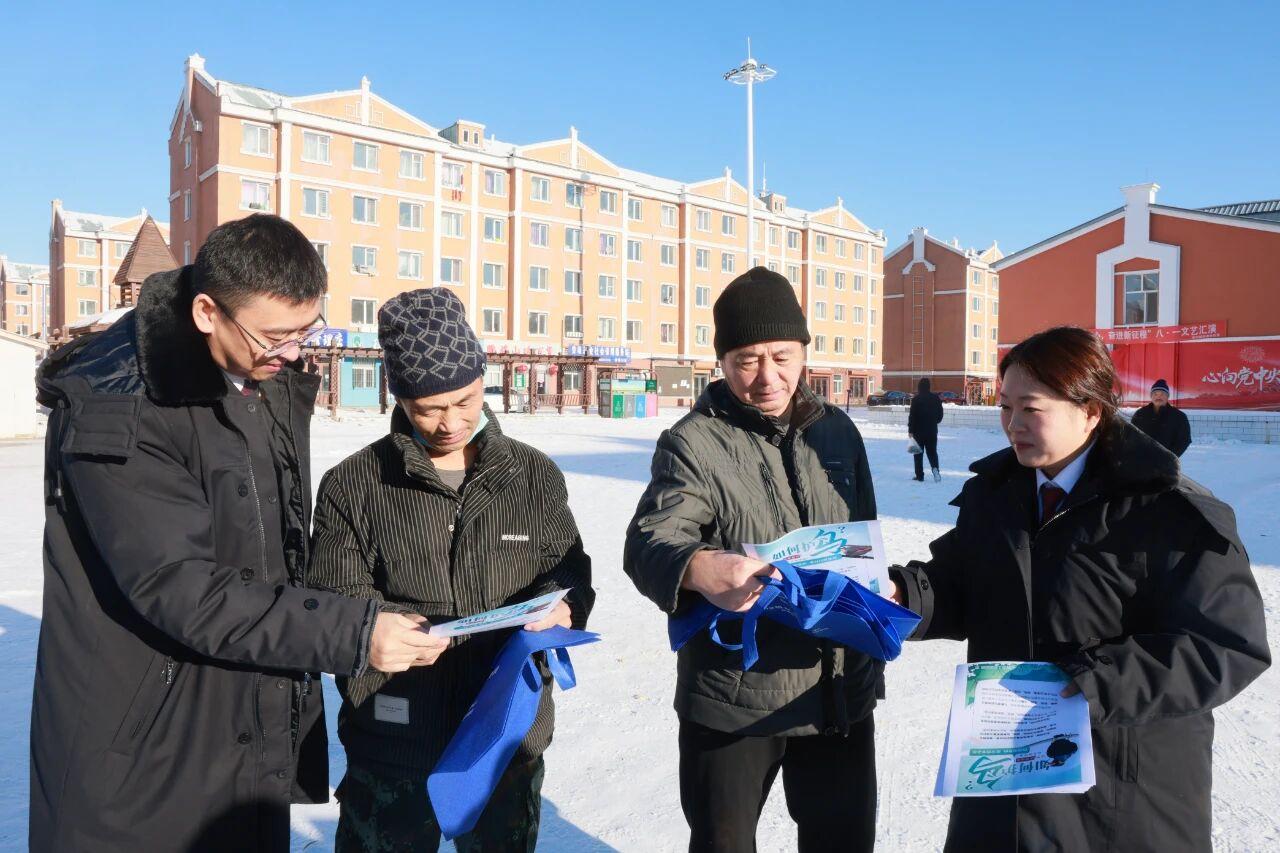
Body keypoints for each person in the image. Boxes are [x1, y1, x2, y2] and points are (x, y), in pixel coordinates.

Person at [30, 215, 441, 852]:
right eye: (276, 336)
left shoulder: (255, 379)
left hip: (244, 721)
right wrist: (352, 633)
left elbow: (270, 554)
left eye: (307, 330)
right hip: (142, 747)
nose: (294, 352)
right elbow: (181, 587)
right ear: (206, 312)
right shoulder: (119, 408)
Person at [890, 326, 1269, 852]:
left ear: (1090, 412)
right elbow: (957, 583)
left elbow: (1224, 645)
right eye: (1005, 407)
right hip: (1003, 783)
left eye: (1031, 409)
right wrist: (900, 594)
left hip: (1119, 795)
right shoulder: (994, 496)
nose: (1013, 425)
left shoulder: (1166, 511)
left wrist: (1094, 682)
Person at [309, 287, 595, 852]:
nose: (450, 423)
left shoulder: (533, 476)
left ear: (482, 378)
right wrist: (379, 629)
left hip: (503, 735)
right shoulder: (354, 483)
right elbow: (335, 595)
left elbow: (568, 571)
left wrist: (563, 606)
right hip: (393, 737)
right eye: (428, 408)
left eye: (465, 400)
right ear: (399, 397)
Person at [625, 267, 881, 853]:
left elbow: (863, 538)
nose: (768, 377)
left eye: (782, 357)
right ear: (722, 362)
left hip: (836, 688)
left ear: (803, 353)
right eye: (747, 360)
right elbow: (650, 541)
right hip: (735, 697)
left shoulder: (838, 433)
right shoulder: (693, 441)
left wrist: (871, 641)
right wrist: (697, 568)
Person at [1130, 377, 1192, 456]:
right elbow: (1131, 436)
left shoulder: (1179, 417)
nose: (1158, 397)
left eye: (1162, 394)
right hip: (1142, 460)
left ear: (1167, 396)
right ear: (1151, 396)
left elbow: (1184, 440)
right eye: (1155, 394)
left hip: (1167, 461)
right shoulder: (1140, 414)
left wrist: (1170, 457)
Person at [907, 377, 943, 482]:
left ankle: (919, 476)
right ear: (929, 387)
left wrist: (910, 430)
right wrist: (934, 422)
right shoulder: (936, 398)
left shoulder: (916, 399)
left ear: (919, 387)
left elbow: (912, 416)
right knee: (932, 452)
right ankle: (935, 469)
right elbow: (940, 415)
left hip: (918, 432)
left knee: (918, 454)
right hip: (932, 431)